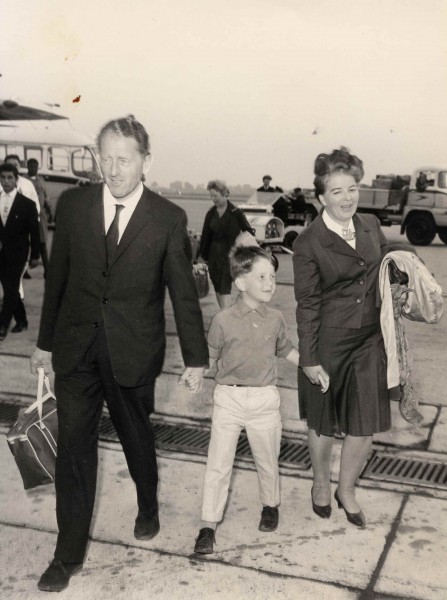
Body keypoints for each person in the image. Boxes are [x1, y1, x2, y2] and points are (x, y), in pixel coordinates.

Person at [30, 115, 209, 592]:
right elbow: (58, 280)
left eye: (124, 160)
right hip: (75, 349)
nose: (113, 169)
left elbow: (182, 294)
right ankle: (66, 556)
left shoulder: (169, 218)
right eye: (105, 158)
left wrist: (196, 358)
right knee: (72, 448)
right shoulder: (72, 206)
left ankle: (147, 503)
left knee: (135, 438)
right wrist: (44, 344)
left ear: (145, 161)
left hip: (132, 351)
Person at [293, 147, 394, 529]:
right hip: (328, 341)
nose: (347, 198)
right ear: (321, 197)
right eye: (337, 191)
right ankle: (321, 481)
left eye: (352, 188)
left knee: (364, 424)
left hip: (370, 338)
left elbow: (384, 269)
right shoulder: (309, 243)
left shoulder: (370, 225)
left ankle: (346, 488)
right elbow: (307, 304)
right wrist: (309, 357)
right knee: (322, 423)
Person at [192, 246, 299, 555]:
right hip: (229, 398)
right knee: (218, 464)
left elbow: (285, 349)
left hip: (265, 399)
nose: (269, 283)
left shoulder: (276, 318)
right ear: (240, 283)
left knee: (267, 459)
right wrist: (196, 373)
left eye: (273, 277)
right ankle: (208, 525)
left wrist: (310, 366)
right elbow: (210, 356)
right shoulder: (222, 320)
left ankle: (270, 505)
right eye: (262, 277)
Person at [198, 180, 254, 309]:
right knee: (217, 284)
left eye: (215, 196)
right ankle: (224, 314)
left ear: (224, 194)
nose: (213, 199)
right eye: (211, 196)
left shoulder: (236, 213)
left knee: (225, 285)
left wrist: (241, 246)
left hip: (230, 255)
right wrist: (201, 256)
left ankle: (225, 316)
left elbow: (248, 231)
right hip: (213, 255)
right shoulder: (210, 213)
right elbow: (205, 235)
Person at [0, 163, 40, 340]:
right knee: (10, 289)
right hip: (1, 253)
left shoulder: (27, 204)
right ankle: (22, 320)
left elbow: (35, 232)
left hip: (18, 254)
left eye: (10, 178)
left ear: (16, 179)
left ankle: (2, 325)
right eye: (2, 177)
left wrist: (35, 255)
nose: (6, 181)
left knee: (10, 289)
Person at [25, 158, 52, 276]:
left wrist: (50, 212)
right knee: (25, 243)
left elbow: (45, 197)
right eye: (31, 166)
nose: (33, 168)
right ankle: (24, 270)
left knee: (42, 243)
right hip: (26, 216)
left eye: (35, 166)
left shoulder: (41, 181)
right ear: (27, 167)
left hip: (40, 215)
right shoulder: (23, 180)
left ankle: (47, 271)